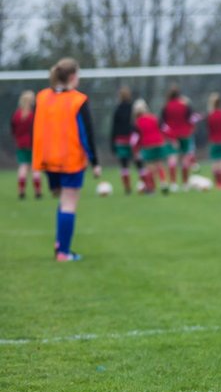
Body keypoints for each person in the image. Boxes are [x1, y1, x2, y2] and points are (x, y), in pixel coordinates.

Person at [31, 58, 100, 260]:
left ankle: (59, 243)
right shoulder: (78, 100)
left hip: (47, 159)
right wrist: (95, 162)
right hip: (70, 159)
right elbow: (86, 133)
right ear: (72, 77)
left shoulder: (43, 97)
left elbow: (38, 128)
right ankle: (63, 252)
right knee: (69, 202)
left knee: (62, 200)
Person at [161, 84, 199, 188]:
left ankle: (173, 184)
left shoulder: (166, 106)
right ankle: (185, 184)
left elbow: (163, 124)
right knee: (185, 159)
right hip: (185, 134)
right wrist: (191, 129)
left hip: (171, 135)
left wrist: (169, 136)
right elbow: (192, 118)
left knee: (172, 158)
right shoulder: (185, 105)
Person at [110, 86, 143, 195]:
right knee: (139, 163)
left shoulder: (117, 110)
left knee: (124, 165)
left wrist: (112, 144)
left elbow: (114, 128)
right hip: (133, 140)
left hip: (120, 140)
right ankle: (144, 185)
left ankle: (127, 189)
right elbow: (138, 125)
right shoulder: (133, 109)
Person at [10, 90, 43, 199]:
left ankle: (21, 190)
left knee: (23, 166)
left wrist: (17, 138)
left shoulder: (16, 115)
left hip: (21, 143)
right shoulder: (33, 115)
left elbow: (13, 129)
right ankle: (38, 191)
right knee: (35, 168)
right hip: (33, 143)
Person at [132, 98, 170, 194]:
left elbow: (135, 139)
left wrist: (135, 150)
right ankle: (163, 183)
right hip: (159, 143)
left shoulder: (137, 122)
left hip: (147, 145)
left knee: (150, 167)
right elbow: (165, 129)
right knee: (159, 164)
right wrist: (169, 138)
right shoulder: (154, 118)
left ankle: (150, 188)